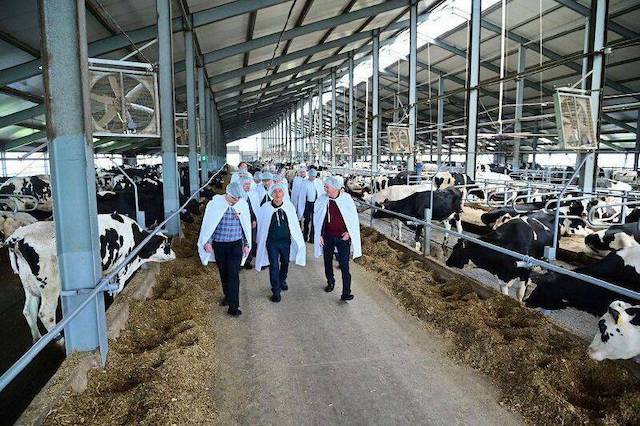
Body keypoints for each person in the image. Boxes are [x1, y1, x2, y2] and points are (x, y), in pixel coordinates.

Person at [197, 182, 252, 316]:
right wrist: (207, 242)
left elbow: (245, 226)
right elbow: (209, 225)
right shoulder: (215, 204)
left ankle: (234, 306)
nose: (236, 201)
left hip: (236, 244)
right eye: (234, 198)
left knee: (233, 273)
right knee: (223, 272)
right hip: (219, 245)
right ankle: (228, 296)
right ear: (227, 193)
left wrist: (246, 244)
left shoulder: (242, 205)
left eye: (238, 198)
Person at [313, 176, 361, 301]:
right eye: (325, 187)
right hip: (328, 236)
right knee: (327, 261)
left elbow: (353, 218)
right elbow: (318, 219)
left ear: (335, 188)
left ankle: (346, 292)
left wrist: (349, 233)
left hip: (342, 237)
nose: (325, 189)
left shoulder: (346, 199)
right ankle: (330, 282)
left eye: (327, 187)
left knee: (344, 265)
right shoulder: (322, 199)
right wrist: (320, 235)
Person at [255, 184, 305, 303]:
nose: (278, 194)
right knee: (274, 265)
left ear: (283, 193)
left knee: (285, 262)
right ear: (271, 194)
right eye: (275, 192)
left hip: (285, 242)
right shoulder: (265, 208)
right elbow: (261, 225)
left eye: (280, 191)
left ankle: (282, 280)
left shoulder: (289, 206)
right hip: (272, 242)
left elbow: (294, 224)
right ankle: (276, 290)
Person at [296, 169, 324, 243]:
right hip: (307, 204)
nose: (313, 178)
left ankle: (312, 238)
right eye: (312, 176)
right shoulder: (304, 183)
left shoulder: (318, 182)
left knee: (314, 221)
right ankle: (305, 236)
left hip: (316, 204)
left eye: (314, 176)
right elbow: (301, 195)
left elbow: (321, 193)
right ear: (309, 176)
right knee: (307, 220)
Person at [241, 176, 260, 269]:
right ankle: (240, 261)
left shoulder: (254, 194)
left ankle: (248, 260)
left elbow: (255, 209)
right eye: (246, 184)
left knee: (250, 240)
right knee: (241, 240)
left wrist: (254, 220)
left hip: (250, 221)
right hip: (240, 221)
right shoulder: (239, 194)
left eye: (249, 184)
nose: (248, 186)